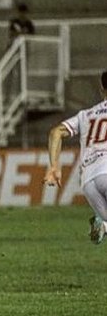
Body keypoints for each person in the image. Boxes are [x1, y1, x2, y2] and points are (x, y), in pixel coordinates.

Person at [44, 70, 107, 245]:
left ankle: (103, 225)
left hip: (88, 182)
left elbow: (55, 132)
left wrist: (54, 167)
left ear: (102, 90)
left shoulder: (85, 115)